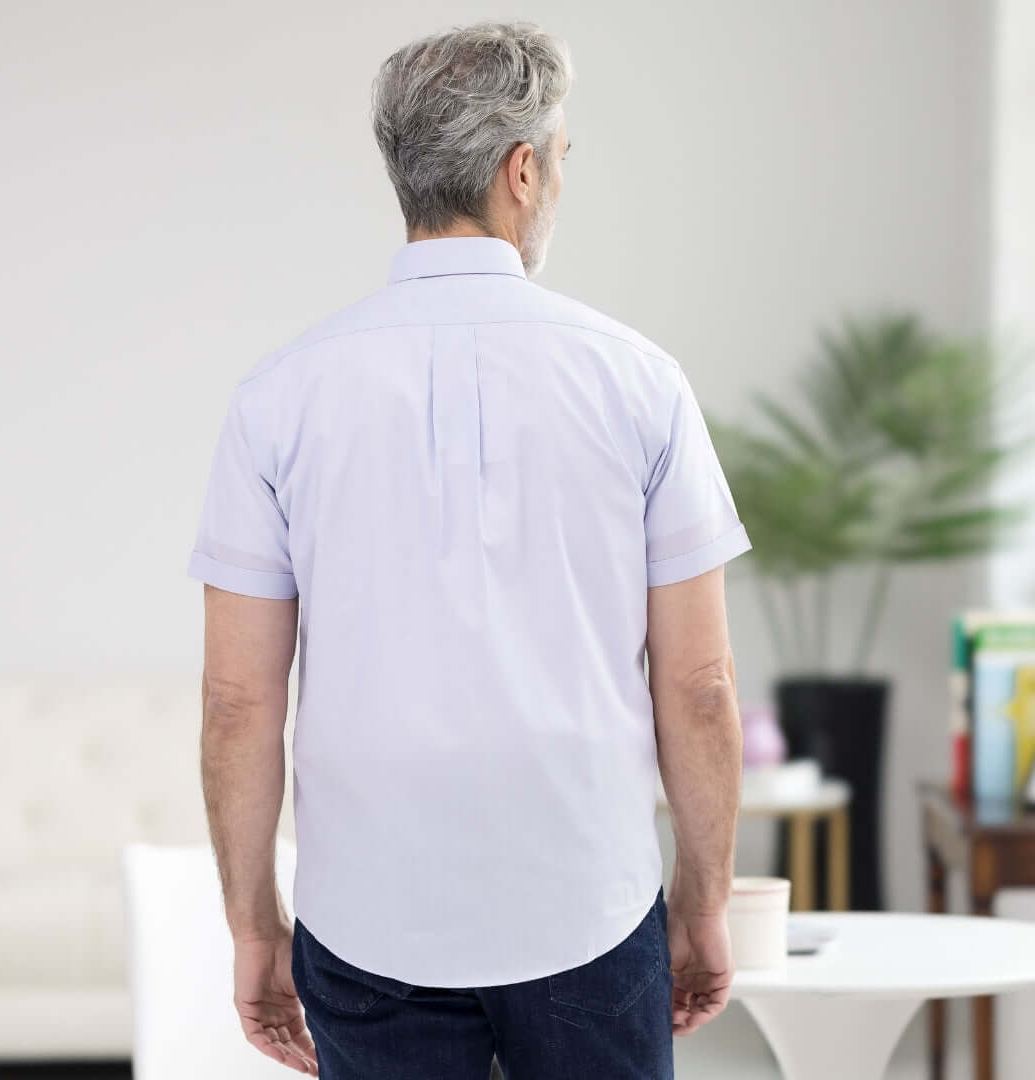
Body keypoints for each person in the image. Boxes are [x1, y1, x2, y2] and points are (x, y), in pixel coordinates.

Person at [187, 19, 751, 1080]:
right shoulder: (640, 384)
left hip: (367, 915)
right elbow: (703, 684)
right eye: (562, 159)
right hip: (589, 895)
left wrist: (256, 926)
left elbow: (237, 702)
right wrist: (703, 901)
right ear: (522, 171)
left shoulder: (278, 398)